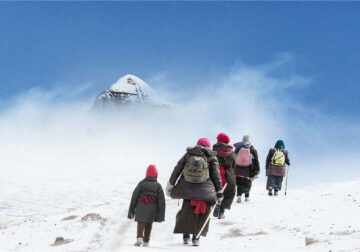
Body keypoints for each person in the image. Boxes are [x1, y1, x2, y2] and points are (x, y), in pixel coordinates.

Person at [166, 138, 223, 246]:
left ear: (197, 145)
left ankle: (186, 237)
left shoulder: (188, 154)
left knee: (186, 212)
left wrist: (170, 186)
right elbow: (216, 176)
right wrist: (219, 193)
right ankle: (196, 238)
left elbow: (177, 170)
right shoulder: (211, 156)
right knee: (202, 214)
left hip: (186, 188)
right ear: (208, 146)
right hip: (205, 191)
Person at [128, 164, 166, 247]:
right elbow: (161, 201)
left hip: (141, 205)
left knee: (140, 222)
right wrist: (160, 215)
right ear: (156, 174)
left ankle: (139, 238)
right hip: (152, 207)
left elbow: (134, 196)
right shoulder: (158, 186)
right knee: (149, 223)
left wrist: (131, 211)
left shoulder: (142, 183)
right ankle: (146, 241)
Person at [212, 133, 236, 219]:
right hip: (229, 177)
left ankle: (216, 207)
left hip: (217, 175)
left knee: (217, 192)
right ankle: (221, 213)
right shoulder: (231, 152)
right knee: (227, 194)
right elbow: (234, 165)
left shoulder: (214, 151)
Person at [233, 135, 260, 203]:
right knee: (248, 181)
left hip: (239, 168)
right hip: (248, 168)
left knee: (239, 182)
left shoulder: (238, 148)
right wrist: (258, 169)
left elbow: (234, 157)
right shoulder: (253, 149)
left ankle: (239, 196)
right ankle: (246, 197)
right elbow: (256, 160)